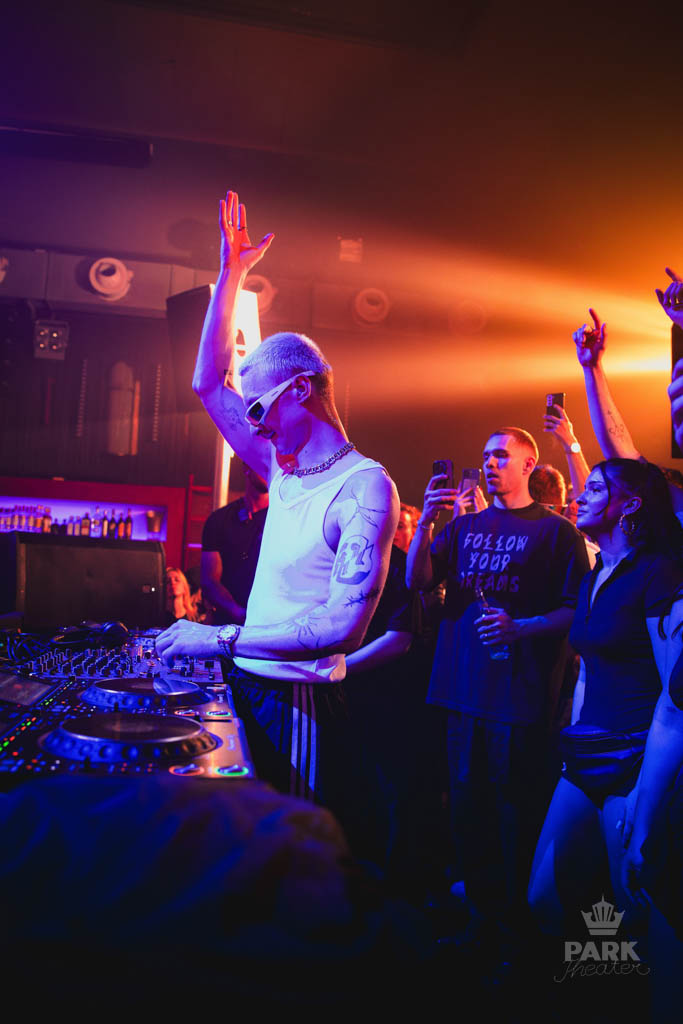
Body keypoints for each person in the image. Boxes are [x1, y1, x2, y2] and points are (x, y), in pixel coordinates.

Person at [156, 190, 399, 828]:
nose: (254, 424)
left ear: (301, 390)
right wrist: (231, 274)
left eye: (260, 408)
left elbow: (342, 627)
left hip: (298, 703)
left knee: (287, 851)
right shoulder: (282, 467)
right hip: (247, 683)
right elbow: (207, 384)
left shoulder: (364, 487)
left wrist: (218, 636)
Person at [406, 427, 589, 962]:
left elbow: (576, 610)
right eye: (486, 455)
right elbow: (418, 580)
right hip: (462, 692)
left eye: (502, 455)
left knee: (515, 818)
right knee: (469, 817)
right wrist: (427, 523)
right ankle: (480, 925)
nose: (490, 463)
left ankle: (516, 940)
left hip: (517, 700)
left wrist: (520, 627)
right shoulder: (462, 527)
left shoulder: (557, 533)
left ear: (529, 464)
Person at [527, 460, 683, 961]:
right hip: (586, 756)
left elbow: (673, 697)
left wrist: (647, 798)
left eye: (595, 488)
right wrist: (575, 743)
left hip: (634, 761)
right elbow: (587, 672)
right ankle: (584, 987)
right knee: (544, 898)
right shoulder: (595, 574)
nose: (581, 495)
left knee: (636, 909)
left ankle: (639, 994)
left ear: (630, 505)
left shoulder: (657, 571)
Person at [201, 461, 269, 625]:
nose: (269, 469)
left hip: (271, 623)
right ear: (246, 468)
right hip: (227, 625)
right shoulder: (219, 520)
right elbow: (209, 581)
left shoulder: (285, 519)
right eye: (262, 464)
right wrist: (238, 613)